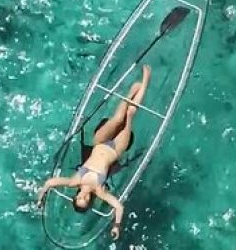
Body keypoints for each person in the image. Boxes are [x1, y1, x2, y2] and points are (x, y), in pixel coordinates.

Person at [36, 64, 152, 240]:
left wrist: (41, 198)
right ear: (89, 201)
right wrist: (116, 226)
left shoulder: (74, 181)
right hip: (115, 149)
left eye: (79, 199)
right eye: (85, 200)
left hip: (99, 142)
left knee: (118, 117)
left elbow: (51, 182)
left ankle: (129, 94)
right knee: (130, 114)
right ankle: (145, 81)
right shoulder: (99, 191)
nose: (82, 197)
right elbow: (118, 206)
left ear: (75, 198)